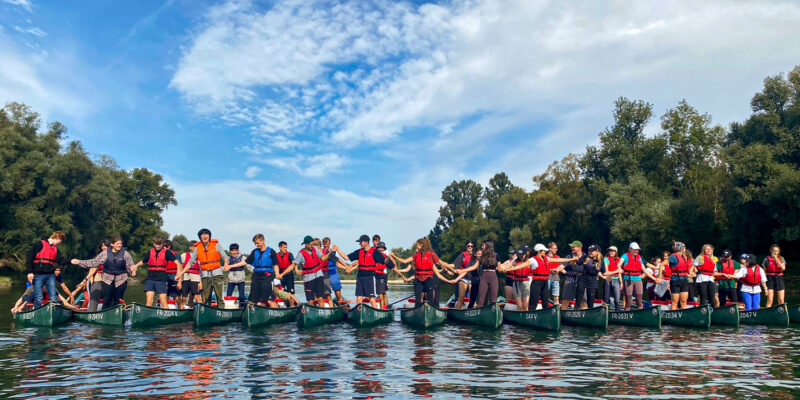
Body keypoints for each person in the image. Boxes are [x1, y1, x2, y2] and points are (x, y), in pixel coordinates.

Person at [71, 236, 136, 309]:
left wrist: (133, 271)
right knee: (107, 300)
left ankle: (117, 314)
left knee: (118, 300)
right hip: (107, 279)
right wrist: (79, 261)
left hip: (121, 279)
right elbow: (94, 262)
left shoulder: (125, 254)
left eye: (120, 244)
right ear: (112, 244)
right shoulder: (104, 254)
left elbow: (130, 265)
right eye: (117, 244)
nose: (119, 245)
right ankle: (105, 313)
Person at [391, 237, 453, 308]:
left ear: (422, 245)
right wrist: (394, 256)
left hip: (428, 279)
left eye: (418, 244)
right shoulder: (416, 255)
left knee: (430, 299)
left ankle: (431, 310)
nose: (416, 246)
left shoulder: (431, 254)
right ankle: (418, 310)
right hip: (418, 280)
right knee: (418, 299)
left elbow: (442, 263)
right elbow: (404, 261)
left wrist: (453, 270)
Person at [182, 228, 229, 305]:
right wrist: (181, 273)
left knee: (219, 296)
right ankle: (207, 311)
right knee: (206, 297)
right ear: (200, 237)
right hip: (205, 274)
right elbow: (190, 263)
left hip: (217, 272)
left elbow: (225, 256)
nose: (204, 236)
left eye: (206, 234)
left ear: (209, 236)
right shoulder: (197, 248)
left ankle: (221, 310)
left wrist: (226, 263)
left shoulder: (216, 245)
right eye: (202, 234)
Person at [337, 234, 386, 308]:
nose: (359, 243)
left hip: (370, 277)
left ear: (366, 242)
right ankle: (357, 312)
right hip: (360, 277)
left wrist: (389, 259)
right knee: (359, 298)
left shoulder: (375, 252)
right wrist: (337, 249)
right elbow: (346, 257)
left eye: (361, 242)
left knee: (372, 299)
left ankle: (375, 311)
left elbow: (384, 261)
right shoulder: (359, 252)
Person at [134, 236, 182, 308]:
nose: (158, 246)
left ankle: (166, 316)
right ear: (153, 243)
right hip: (150, 278)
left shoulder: (167, 252)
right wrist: (136, 266)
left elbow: (178, 264)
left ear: (162, 244)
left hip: (161, 279)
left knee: (163, 301)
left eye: (160, 244)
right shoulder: (150, 252)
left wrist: (178, 274)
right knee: (149, 301)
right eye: (157, 244)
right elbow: (143, 261)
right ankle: (148, 316)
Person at [27, 231, 69, 307]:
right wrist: (30, 272)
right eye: (60, 241)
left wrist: (70, 260)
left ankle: (54, 309)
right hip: (38, 274)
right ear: (57, 238)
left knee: (53, 296)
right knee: (38, 297)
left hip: (50, 275)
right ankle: (38, 310)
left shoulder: (55, 249)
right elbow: (30, 257)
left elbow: (60, 260)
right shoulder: (39, 244)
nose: (60, 243)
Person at [290, 235, 334, 306]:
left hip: (319, 275)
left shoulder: (315, 249)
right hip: (308, 278)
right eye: (310, 245)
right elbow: (294, 263)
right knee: (310, 300)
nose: (312, 246)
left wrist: (330, 252)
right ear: (306, 244)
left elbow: (323, 258)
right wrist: (296, 269)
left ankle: (321, 314)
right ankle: (310, 313)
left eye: (313, 244)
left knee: (320, 298)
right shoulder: (301, 254)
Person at [617, 242, 661, 310]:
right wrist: (619, 268)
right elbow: (619, 264)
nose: (636, 251)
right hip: (628, 278)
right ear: (630, 249)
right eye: (634, 249)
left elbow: (645, 270)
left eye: (637, 249)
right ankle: (627, 313)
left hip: (638, 278)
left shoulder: (639, 257)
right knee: (628, 301)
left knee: (639, 301)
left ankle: (640, 314)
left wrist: (655, 279)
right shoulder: (625, 256)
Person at [242, 234, 280, 307]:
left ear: (263, 241)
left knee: (269, 300)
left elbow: (275, 264)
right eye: (255, 243)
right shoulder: (254, 252)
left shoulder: (271, 251)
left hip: (267, 277)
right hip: (256, 277)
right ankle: (258, 312)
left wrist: (277, 274)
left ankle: (277, 312)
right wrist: (230, 266)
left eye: (257, 243)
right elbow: (245, 262)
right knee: (254, 301)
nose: (256, 245)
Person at [501, 247, 533, 311]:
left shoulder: (529, 261)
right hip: (517, 283)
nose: (521, 257)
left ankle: (525, 318)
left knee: (526, 304)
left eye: (522, 255)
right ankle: (519, 318)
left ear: (525, 254)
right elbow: (505, 269)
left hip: (526, 283)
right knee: (519, 305)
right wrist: (511, 263)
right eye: (519, 256)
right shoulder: (515, 261)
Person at [574, 245, 605, 309]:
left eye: (592, 251)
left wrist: (606, 276)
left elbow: (603, 271)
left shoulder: (601, 260)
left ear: (597, 252)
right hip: (582, 279)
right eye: (589, 251)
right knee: (578, 300)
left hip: (592, 281)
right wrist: (574, 259)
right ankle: (575, 311)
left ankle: (590, 314)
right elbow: (578, 262)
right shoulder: (585, 257)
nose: (590, 252)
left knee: (590, 303)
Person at [559, 241, 586, 310]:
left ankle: (585, 315)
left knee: (583, 301)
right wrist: (564, 272)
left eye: (573, 247)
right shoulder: (569, 256)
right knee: (566, 300)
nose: (572, 248)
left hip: (582, 281)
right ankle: (562, 316)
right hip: (570, 280)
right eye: (571, 247)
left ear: (579, 247)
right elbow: (561, 266)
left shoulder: (586, 257)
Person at [177, 240, 203, 309]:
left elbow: (201, 271)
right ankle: (183, 310)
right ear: (190, 247)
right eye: (195, 247)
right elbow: (180, 268)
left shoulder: (200, 257)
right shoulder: (184, 255)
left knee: (196, 296)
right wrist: (179, 281)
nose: (196, 248)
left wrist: (200, 282)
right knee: (184, 297)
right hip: (185, 277)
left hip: (195, 278)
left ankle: (202, 310)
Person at [321, 237, 346, 304]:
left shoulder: (333, 252)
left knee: (338, 294)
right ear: (322, 244)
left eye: (327, 244)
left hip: (333, 273)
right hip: (324, 273)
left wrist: (346, 267)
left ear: (329, 243)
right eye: (324, 244)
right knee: (326, 294)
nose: (326, 245)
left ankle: (341, 305)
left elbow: (337, 262)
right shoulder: (321, 252)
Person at [668, 242, 691, 310]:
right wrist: (660, 276)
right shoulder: (673, 256)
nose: (685, 249)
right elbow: (662, 264)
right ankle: (672, 318)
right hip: (675, 280)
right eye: (684, 247)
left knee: (684, 302)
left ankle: (683, 317)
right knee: (675, 302)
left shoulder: (684, 257)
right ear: (681, 248)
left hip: (684, 279)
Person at [452, 240, 475, 310]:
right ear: (466, 246)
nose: (470, 247)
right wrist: (446, 266)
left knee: (472, 298)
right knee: (460, 298)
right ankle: (457, 312)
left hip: (472, 279)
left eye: (471, 246)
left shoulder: (475, 255)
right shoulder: (462, 255)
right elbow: (454, 265)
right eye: (468, 246)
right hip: (463, 278)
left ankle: (474, 311)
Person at [374, 241, 394, 309]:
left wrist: (402, 275)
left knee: (382, 294)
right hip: (376, 276)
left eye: (383, 248)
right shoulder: (374, 255)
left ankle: (383, 309)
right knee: (380, 295)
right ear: (378, 248)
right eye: (380, 248)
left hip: (382, 276)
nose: (382, 249)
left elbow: (392, 266)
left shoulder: (385, 257)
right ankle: (382, 309)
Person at [602, 246, 623, 311]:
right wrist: (617, 271)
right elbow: (606, 272)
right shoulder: (606, 259)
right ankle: (605, 312)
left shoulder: (618, 259)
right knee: (606, 299)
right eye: (610, 251)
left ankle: (617, 312)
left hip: (616, 280)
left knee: (617, 300)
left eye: (613, 251)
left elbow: (619, 273)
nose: (611, 252)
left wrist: (621, 282)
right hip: (608, 279)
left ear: (615, 252)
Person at [164, 240, 182, 305]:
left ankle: (180, 308)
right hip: (166, 276)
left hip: (174, 276)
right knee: (165, 294)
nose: (163, 248)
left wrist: (179, 281)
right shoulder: (164, 255)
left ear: (168, 247)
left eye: (164, 247)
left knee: (176, 295)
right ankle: (166, 308)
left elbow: (180, 267)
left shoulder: (176, 255)